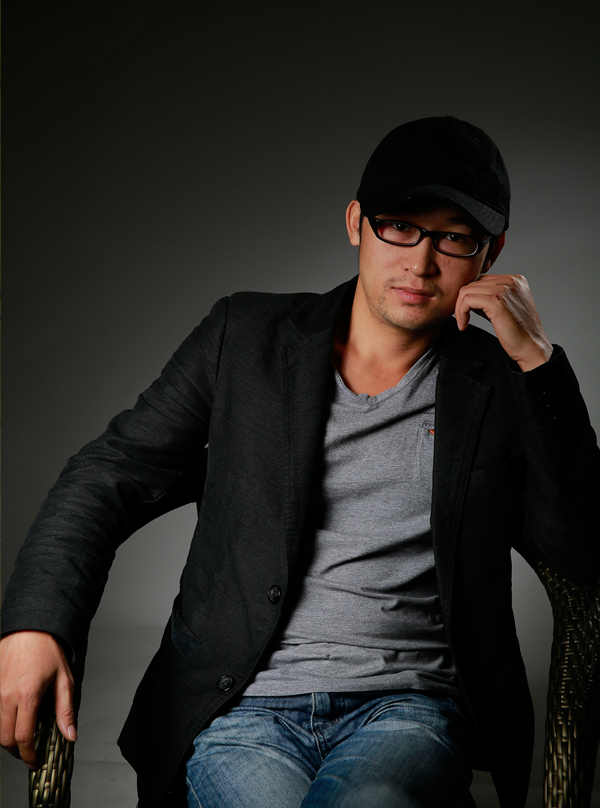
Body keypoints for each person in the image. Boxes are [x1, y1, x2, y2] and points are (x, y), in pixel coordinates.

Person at [1, 116, 598, 808]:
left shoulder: (506, 382)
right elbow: (108, 474)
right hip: (241, 708)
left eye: (454, 238)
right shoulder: (245, 339)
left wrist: (538, 362)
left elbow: (582, 550)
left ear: (491, 253)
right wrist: (34, 623)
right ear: (356, 223)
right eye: (399, 226)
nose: (421, 262)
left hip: (410, 707)